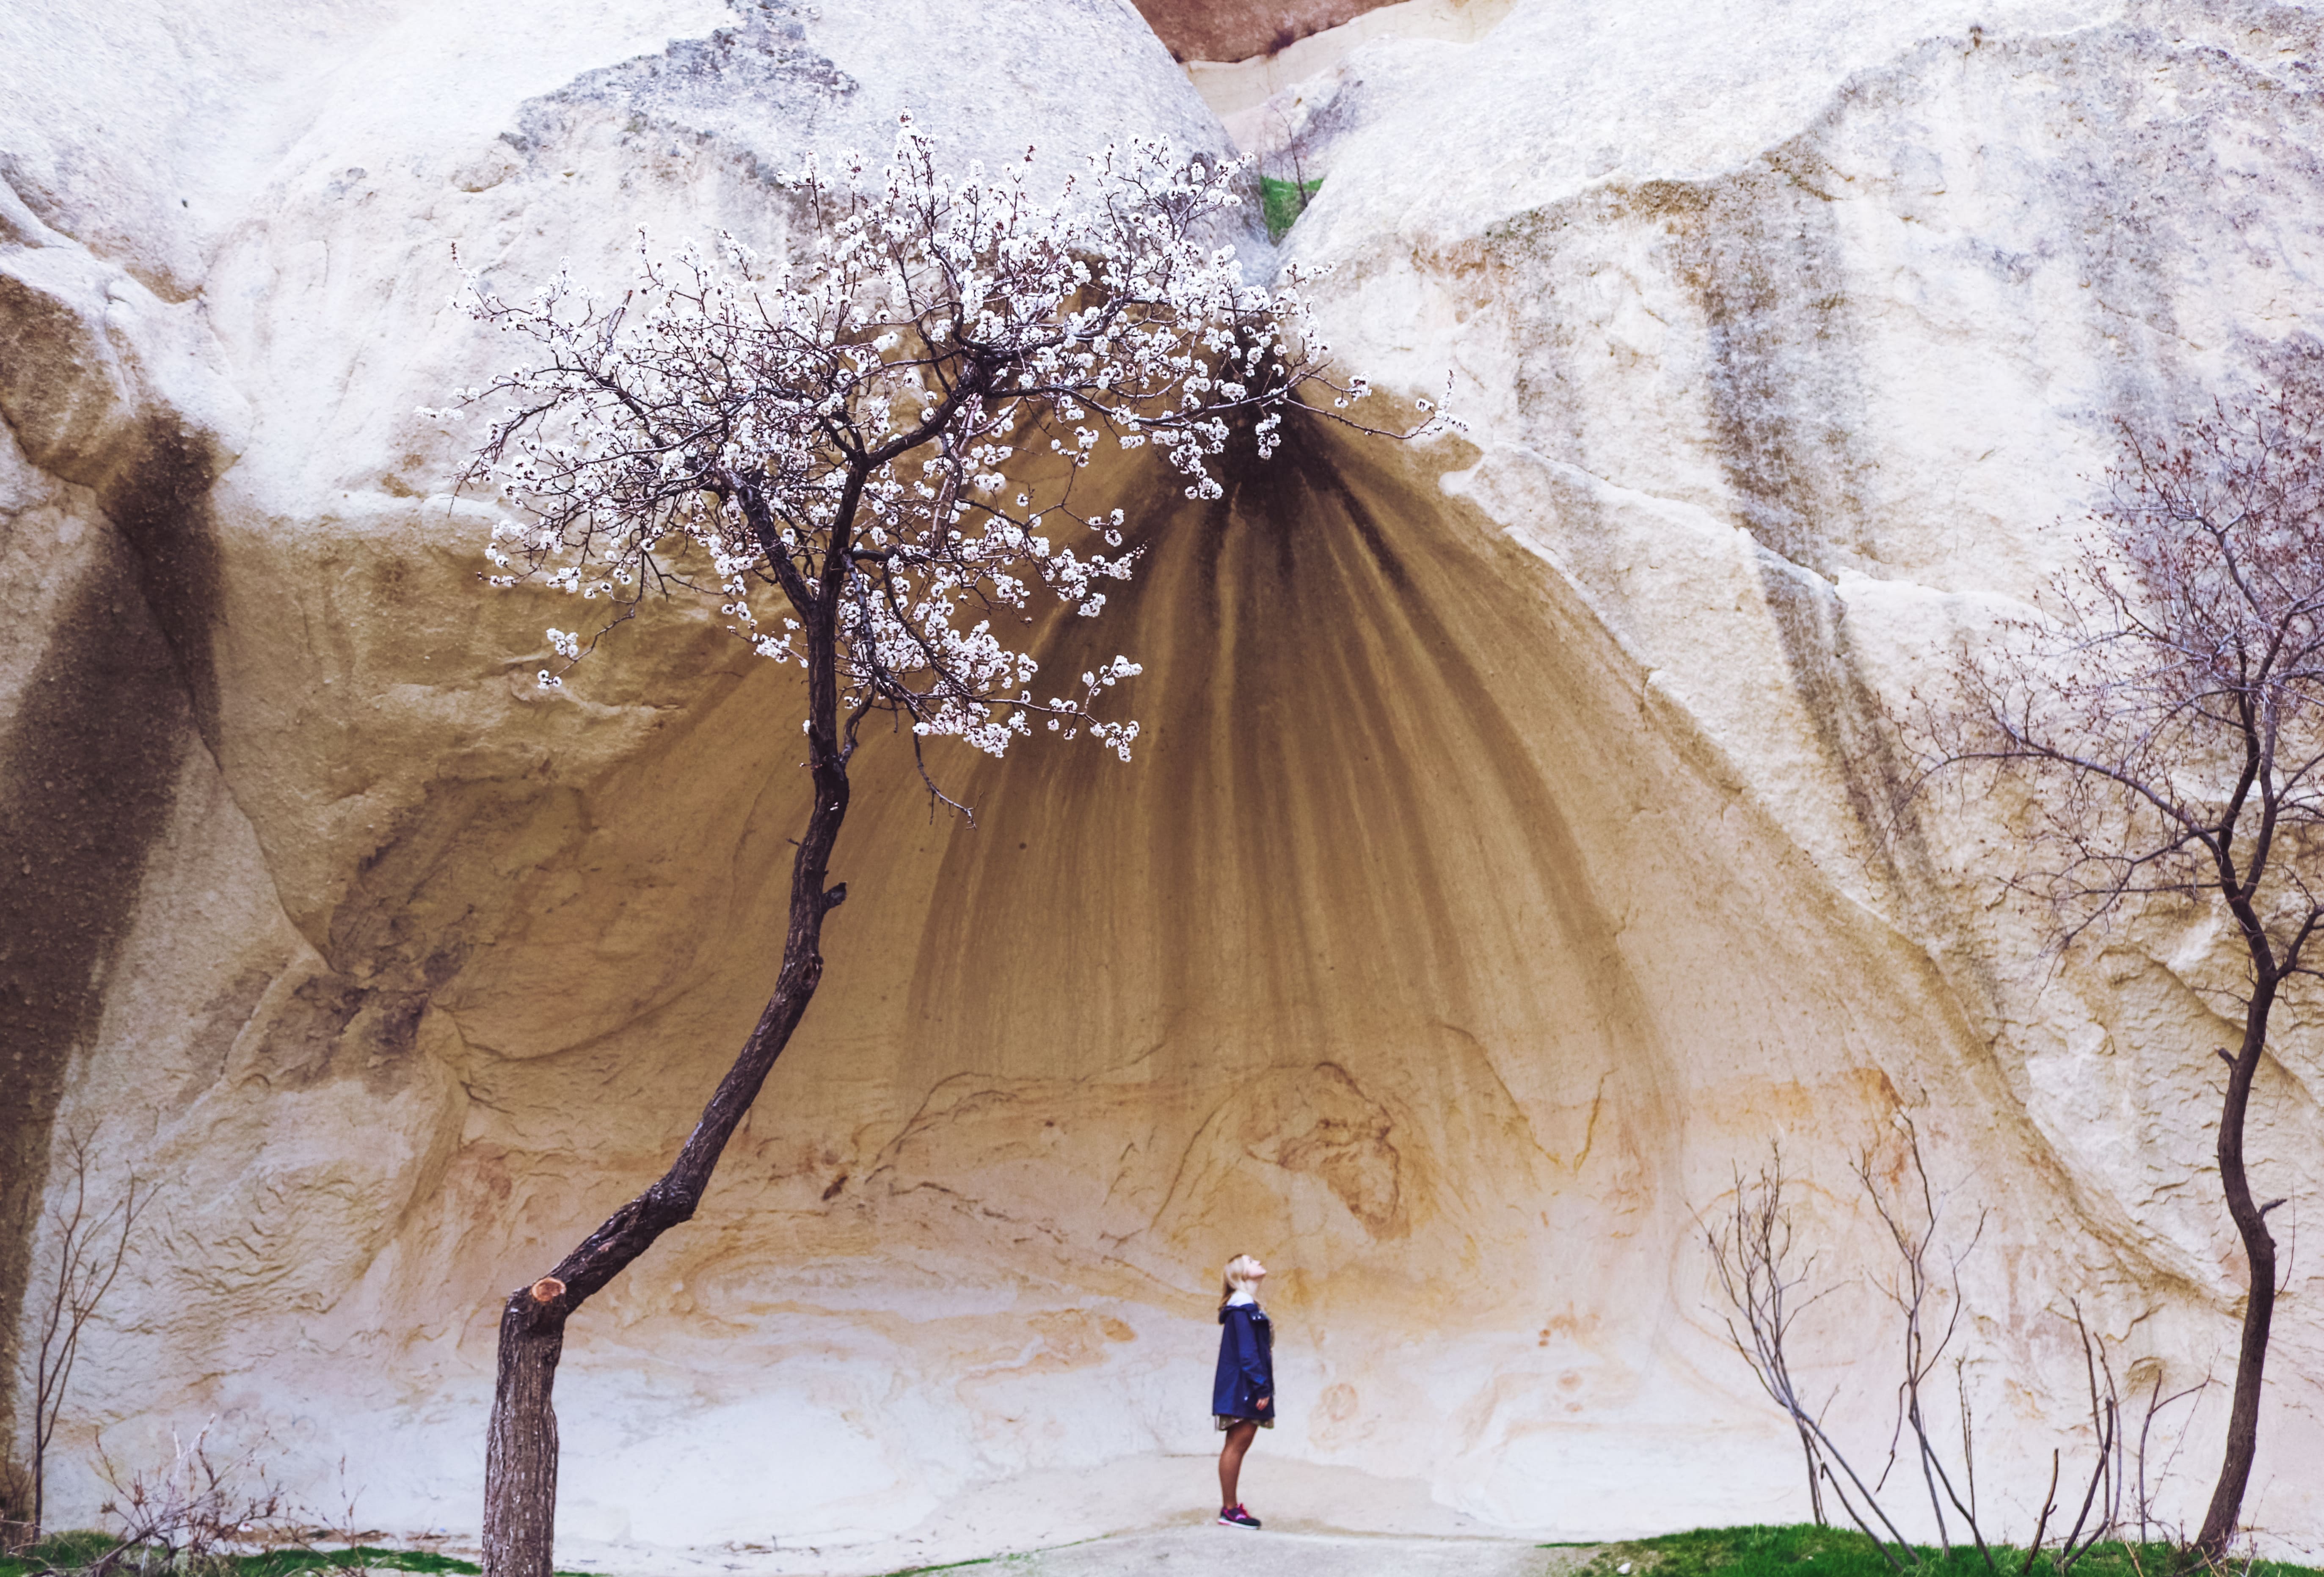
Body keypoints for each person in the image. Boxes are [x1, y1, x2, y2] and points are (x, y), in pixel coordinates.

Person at [1210, 1252, 1274, 1529]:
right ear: (1241, 1274)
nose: (1258, 1261)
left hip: (1242, 1387)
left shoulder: (1244, 1307)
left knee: (1238, 1445)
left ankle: (1231, 1508)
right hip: (1244, 1389)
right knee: (1237, 1445)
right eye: (1251, 1260)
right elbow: (1248, 1355)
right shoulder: (1242, 1309)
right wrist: (1261, 1388)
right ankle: (1230, 1510)